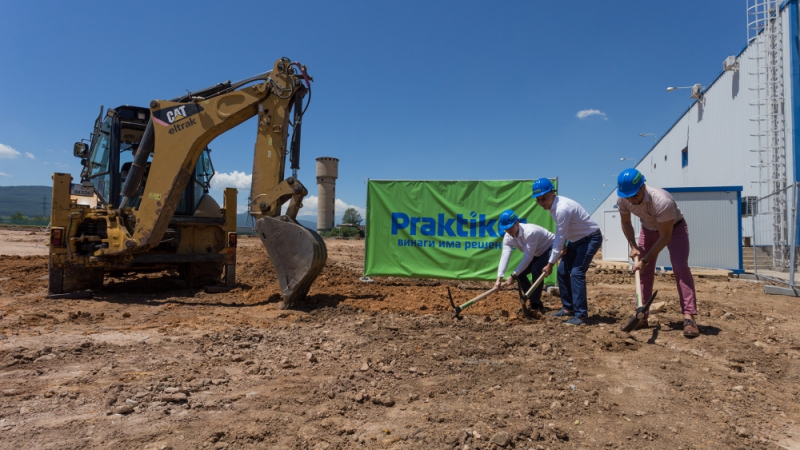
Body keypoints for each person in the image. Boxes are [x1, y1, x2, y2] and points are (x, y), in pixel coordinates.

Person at [616, 168, 700, 338]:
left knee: (680, 267)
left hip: (674, 229)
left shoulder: (662, 201)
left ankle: (689, 317)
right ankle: (640, 316)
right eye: (628, 196)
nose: (631, 200)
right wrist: (633, 245)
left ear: (643, 187)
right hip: (648, 229)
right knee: (643, 273)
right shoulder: (623, 200)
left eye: (635, 195)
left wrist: (645, 260)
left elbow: (665, 237)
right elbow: (626, 223)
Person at [531, 178, 602, 326]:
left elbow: (559, 237)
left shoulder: (562, 208)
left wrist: (550, 263)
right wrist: (564, 245)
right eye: (538, 200)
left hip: (590, 239)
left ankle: (581, 316)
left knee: (576, 273)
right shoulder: (552, 207)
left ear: (552, 194)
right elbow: (561, 234)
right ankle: (568, 308)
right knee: (562, 271)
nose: (541, 203)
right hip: (575, 241)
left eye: (543, 198)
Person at [494, 209, 555, 311]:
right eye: (505, 228)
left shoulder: (530, 232)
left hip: (551, 247)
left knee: (536, 269)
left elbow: (528, 257)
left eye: (510, 227)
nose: (508, 231)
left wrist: (513, 276)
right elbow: (504, 257)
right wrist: (498, 280)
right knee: (520, 273)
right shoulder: (508, 237)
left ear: (517, 223)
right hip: (537, 252)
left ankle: (534, 305)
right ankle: (534, 300)